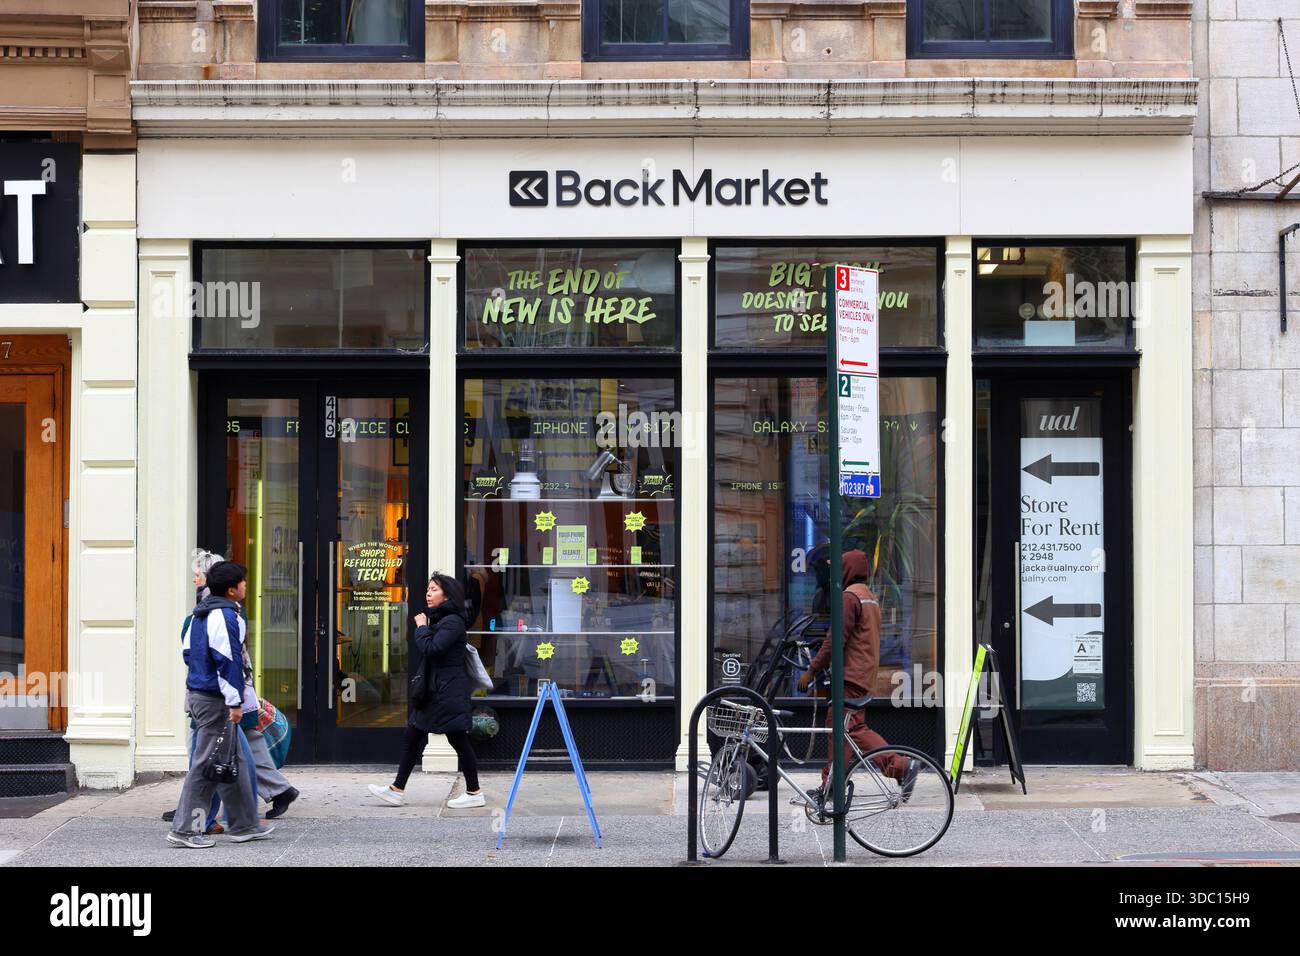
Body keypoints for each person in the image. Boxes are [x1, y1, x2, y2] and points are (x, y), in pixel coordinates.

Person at [166, 561, 274, 848]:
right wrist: (235, 702)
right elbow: (228, 661)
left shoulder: (200, 613)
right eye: (243, 582)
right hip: (216, 700)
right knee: (205, 765)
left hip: (201, 694)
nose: (245, 586)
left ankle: (244, 825)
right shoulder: (228, 616)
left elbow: (188, 652)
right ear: (231, 590)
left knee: (234, 760)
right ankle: (186, 830)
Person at [798, 549, 917, 804]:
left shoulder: (849, 597)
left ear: (847, 570)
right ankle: (834, 784)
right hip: (863, 675)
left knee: (845, 730)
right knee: (848, 729)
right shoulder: (869, 597)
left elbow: (834, 641)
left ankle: (897, 766)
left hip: (850, 677)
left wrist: (811, 670)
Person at [367, 573, 483, 809]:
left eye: (434, 590)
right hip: (436, 692)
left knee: (458, 739)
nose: (428, 594)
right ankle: (397, 789)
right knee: (413, 736)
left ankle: (474, 792)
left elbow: (432, 649)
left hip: (446, 692)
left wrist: (421, 628)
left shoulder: (452, 621)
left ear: (447, 595)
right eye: (428, 589)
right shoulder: (442, 620)